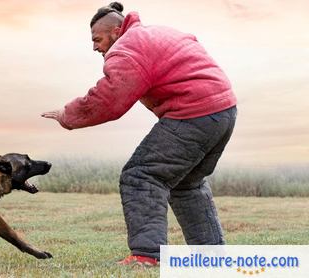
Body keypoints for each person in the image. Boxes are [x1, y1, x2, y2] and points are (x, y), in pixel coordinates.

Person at [41, 2, 237, 266]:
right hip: (224, 112)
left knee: (141, 175)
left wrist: (68, 115)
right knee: (186, 184)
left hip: (194, 113)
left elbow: (110, 99)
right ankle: (211, 257)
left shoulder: (127, 47)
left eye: (97, 39)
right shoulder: (156, 33)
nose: (95, 47)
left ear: (116, 30)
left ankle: (147, 256)